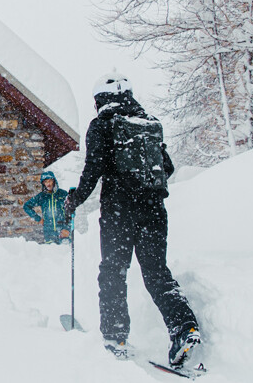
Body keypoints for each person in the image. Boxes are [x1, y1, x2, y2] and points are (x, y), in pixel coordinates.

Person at [63, 71, 201, 368]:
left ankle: (115, 337)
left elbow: (93, 169)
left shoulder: (102, 125)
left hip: (119, 211)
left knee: (113, 271)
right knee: (156, 273)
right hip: (154, 211)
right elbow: (167, 167)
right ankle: (184, 327)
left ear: (100, 99)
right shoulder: (148, 124)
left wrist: (74, 201)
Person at [22, 171, 72, 244]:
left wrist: (67, 228)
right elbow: (26, 206)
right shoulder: (42, 196)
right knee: (50, 254)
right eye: (45, 182)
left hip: (63, 233)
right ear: (43, 184)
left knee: (66, 253)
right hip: (49, 234)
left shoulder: (63, 194)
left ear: (54, 181)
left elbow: (71, 212)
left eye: (50, 181)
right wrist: (38, 219)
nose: (48, 184)